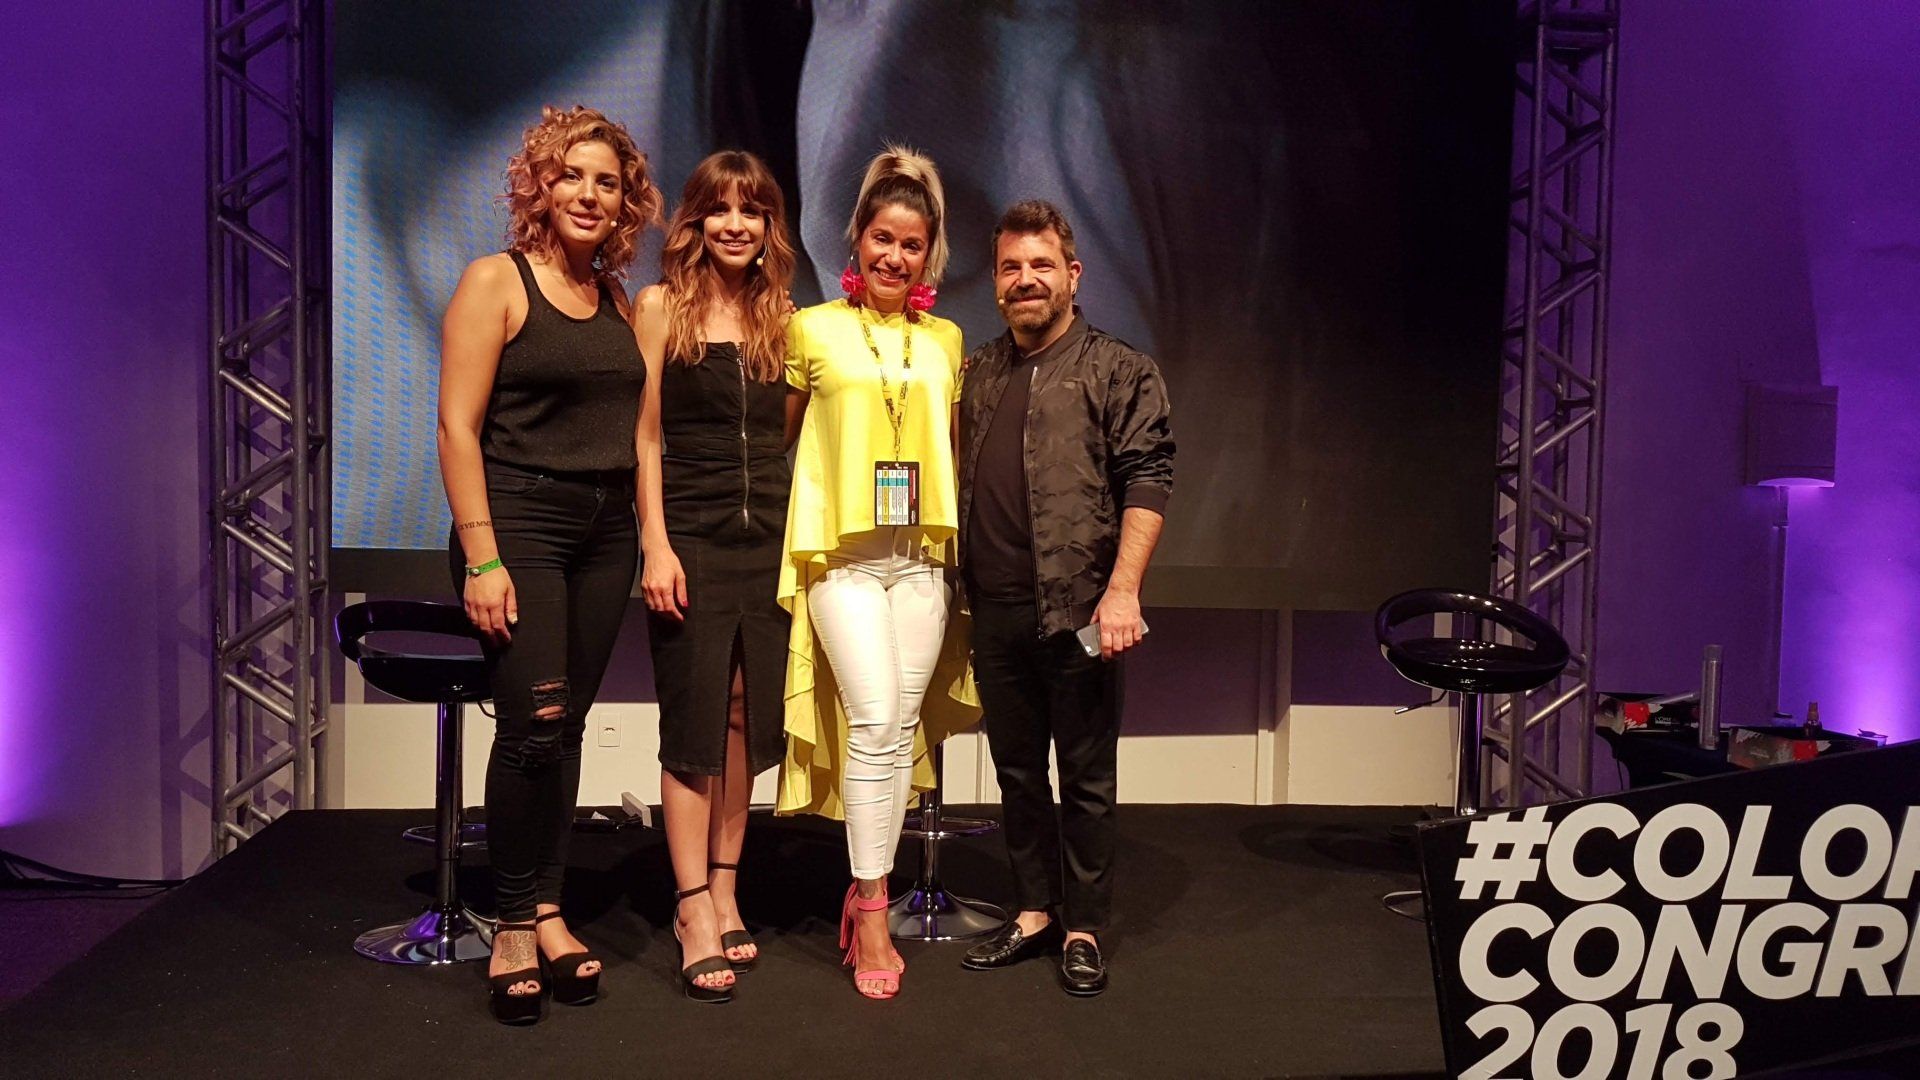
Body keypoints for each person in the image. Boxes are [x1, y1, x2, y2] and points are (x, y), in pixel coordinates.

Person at [437, 105, 661, 1024]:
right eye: (572, 175)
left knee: (567, 728)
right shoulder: (497, 280)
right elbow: (456, 427)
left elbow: (638, 435)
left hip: (605, 530)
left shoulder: (615, 301)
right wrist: (482, 557)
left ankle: (550, 908)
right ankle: (511, 921)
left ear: (625, 204)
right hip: (518, 521)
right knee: (530, 728)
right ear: (540, 184)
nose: (589, 195)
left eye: (607, 182)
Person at [956, 200, 1174, 997]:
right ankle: (1033, 912)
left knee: (1084, 777)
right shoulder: (978, 372)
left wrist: (1123, 593)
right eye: (1011, 267)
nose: (1026, 279)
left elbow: (1149, 479)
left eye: (1041, 265)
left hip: (1083, 614)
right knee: (1016, 772)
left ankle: (1082, 927)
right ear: (996, 282)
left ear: (1073, 275)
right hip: (996, 612)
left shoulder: (1120, 368)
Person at [776, 145, 979, 1000]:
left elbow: (954, 453)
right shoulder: (812, 327)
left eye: (912, 244)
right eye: (883, 239)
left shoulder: (947, 340)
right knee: (872, 721)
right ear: (857, 237)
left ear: (930, 254)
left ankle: (867, 892)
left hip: (922, 561)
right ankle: (869, 911)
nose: (895, 257)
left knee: (898, 730)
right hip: (844, 560)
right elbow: (781, 438)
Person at [631, 150, 795, 1003]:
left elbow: (784, 433)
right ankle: (691, 904)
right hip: (689, 537)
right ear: (695, 219)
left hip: (766, 542)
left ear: (769, 226)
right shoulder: (660, 307)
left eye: (752, 210)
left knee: (745, 717)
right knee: (693, 723)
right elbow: (644, 437)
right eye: (721, 209)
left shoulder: (781, 318)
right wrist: (655, 544)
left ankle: (727, 886)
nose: (737, 225)